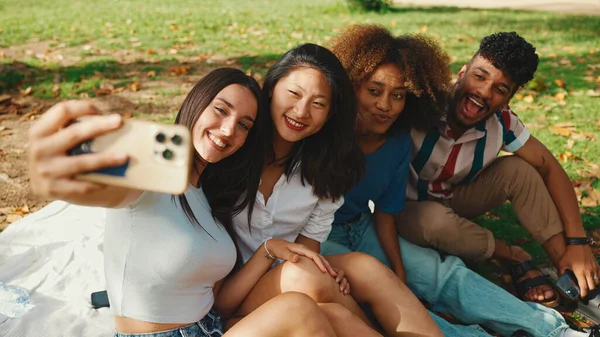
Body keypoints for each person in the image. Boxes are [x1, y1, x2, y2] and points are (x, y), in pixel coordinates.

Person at [26, 68, 348, 337]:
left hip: (211, 327)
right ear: (197, 102)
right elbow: (102, 188)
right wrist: (56, 175)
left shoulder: (208, 196)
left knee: (334, 316)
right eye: (221, 110)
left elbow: (219, 303)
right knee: (300, 309)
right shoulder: (150, 177)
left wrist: (269, 249)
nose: (228, 130)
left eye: (243, 125)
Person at [321, 24, 589, 337]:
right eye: (374, 91)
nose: (385, 105)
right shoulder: (333, 129)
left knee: (443, 275)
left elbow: (382, 213)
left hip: (371, 222)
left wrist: (400, 267)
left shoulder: (397, 139)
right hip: (336, 234)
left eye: (397, 95)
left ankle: (556, 328)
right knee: (388, 298)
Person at [213, 43, 443, 337]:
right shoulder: (233, 145)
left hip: (279, 277)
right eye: (294, 94)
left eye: (318, 103)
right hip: (229, 295)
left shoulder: (327, 169)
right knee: (311, 280)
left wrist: (329, 278)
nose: (301, 111)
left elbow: (308, 251)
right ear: (271, 87)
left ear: (331, 113)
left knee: (362, 270)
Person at [391, 30, 600, 306]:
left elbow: (549, 166)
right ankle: (511, 254)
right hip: (403, 207)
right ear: (462, 73)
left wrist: (577, 243)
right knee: (433, 220)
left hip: (453, 198)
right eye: (480, 76)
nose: (483, 92)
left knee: (519, 170)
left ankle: (571, 271)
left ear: (508, 100)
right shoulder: (422, 100)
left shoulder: (502, 124)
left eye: (500, 89)